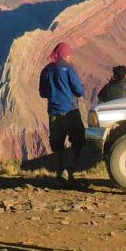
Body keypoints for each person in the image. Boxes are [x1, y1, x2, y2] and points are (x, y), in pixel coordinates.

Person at [38, 41, 86, 186]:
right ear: (66, 55)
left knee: (57, 144)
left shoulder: (46, 70)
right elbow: (79, 91)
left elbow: (42, 93)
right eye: (70, 55)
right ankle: (69, 169)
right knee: (78, 139)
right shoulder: (69, 69)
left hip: (53, 112)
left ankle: (59, 173)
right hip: (70, 111)